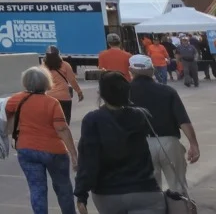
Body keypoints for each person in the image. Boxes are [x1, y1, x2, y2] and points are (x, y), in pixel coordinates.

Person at [75, 71, 163, 213]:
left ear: (101, 93)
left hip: (109, 193)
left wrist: (81, 194)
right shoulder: (142, 115)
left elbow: (88, 160)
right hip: (145, 189)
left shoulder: (93, 120)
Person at [6, 66, 77, 214]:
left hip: (26, 149)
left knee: (36, 188)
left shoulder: (15, 100)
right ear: (46, 82)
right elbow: (62, 129)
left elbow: (4, 117)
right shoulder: (52, 103)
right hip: (54, 151)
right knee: (63, 187)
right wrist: (73, 154)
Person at [127, 54, 201, 192]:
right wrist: (193, 144)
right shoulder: (167, 91)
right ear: (152, 70)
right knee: (178, 187)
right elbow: (183, 120)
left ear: (130, 70)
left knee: (150, 191)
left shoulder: (124, 92)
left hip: (140, 145)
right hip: (169, 143)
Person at [43, 46, 85, 123]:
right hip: (64, 98)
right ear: (58, 54)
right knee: (64, 122)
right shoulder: (65, 65)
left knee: (50, 123)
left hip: (49, 97)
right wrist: (79, 92)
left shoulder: (43, 67)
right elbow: (72, 80)